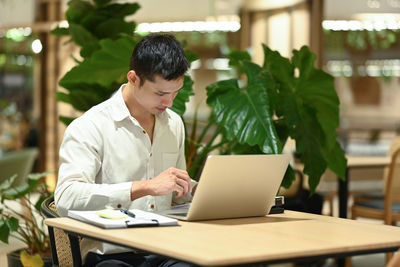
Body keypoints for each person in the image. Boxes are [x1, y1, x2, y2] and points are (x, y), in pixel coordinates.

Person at [55, 34, 196, 267]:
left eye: (176, 92)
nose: (169, 103)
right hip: (111, 254)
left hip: (168, 248)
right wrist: (144, 187)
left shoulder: (174, 124)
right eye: (160, 93)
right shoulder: (91, 126)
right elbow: (66, 198)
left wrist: (198, 192)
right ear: (133, 78)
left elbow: (178, 191)